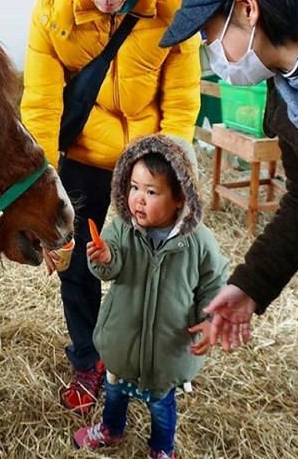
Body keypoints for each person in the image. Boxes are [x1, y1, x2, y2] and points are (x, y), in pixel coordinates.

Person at [21, 0, 201, 414]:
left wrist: (171, 166)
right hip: (82, 162)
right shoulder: (52, 12)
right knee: (78, 269)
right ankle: (87, 360)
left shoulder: (172, 4)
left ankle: (147, 360)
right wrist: (43, 190)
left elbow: (180, 96)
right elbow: (40, 106)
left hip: (148, 164)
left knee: (147, 268)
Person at [160, 0, 298, 350]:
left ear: (248, 9)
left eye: (209, 35)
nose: (210, 51)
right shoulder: (285, 88)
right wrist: (251, 285)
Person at [72, 134, 228, 458]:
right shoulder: (122, 229)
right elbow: (110, 265)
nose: (138, 199)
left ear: (181, 197)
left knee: (161, 404)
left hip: (166, 351)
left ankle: (161, 448)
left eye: (151, 191)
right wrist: (103, 259)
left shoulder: (199, 243)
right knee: (114, 390)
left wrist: (212, 318)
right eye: (133, 187)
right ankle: (112, 428)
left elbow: (213, 286)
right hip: (122, 341)